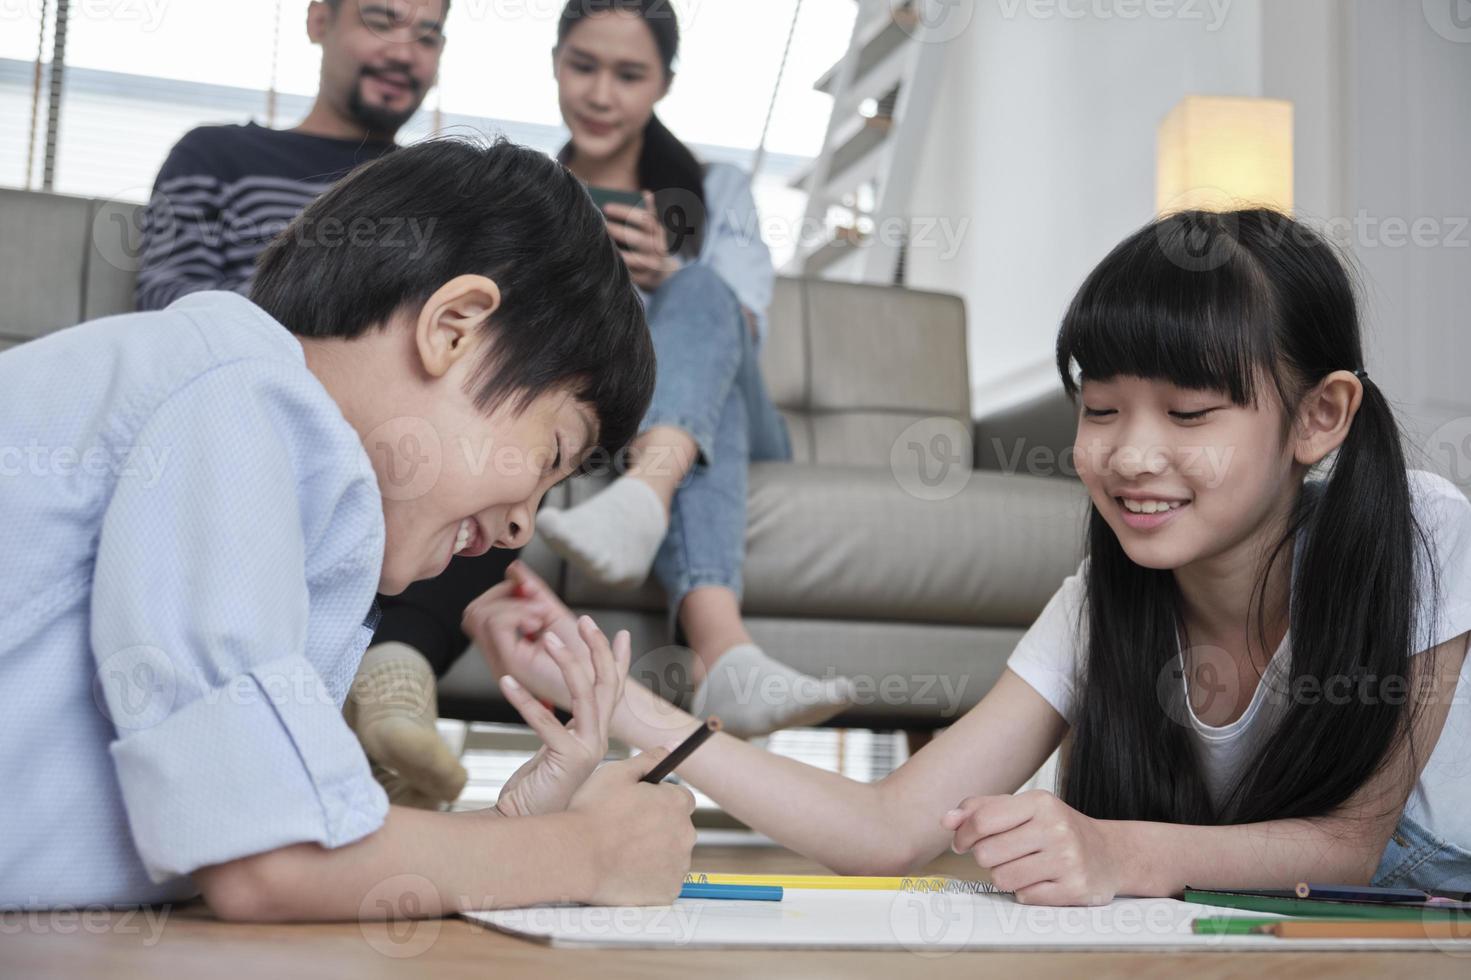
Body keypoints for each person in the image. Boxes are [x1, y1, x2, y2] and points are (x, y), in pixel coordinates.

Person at [470, 209, 1471, 904]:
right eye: (1100, 408)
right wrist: (620, 699)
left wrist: (1111, 849)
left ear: (1320, 415)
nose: (1128, 454)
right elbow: (889, 829)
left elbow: (1354, 841)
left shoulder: (1416, 532)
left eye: (1189, 412)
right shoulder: (1104, 600)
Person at [0, 137, 697, 917]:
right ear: (456, 327)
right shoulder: (235, 392)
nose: (517, 529)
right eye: (552, 455)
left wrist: (507, 835)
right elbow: (266, 859)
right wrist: (583, 853)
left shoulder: (282, 484)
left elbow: (235, 830)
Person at [135, 0, 507, 810]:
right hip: (266, 407)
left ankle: (390, 671)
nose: (406, 50)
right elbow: (174, 313)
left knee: (498, 454)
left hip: (411, 436)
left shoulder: (451, 194)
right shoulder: (217, 156)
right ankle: (375, 675)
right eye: (381, 19)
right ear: (316, 21)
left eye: (429, 34)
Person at [532, 0, 854, 737]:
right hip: (601, 413)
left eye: (629, 74)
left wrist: (665, 273)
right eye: (583, 66)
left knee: (703, 288)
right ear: (554, 63)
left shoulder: (717, 189)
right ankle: (725, 660)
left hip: (728, 410)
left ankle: (644, 494)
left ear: (664, 84)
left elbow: (738, 329)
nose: (601, 95)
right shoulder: (530, 196)